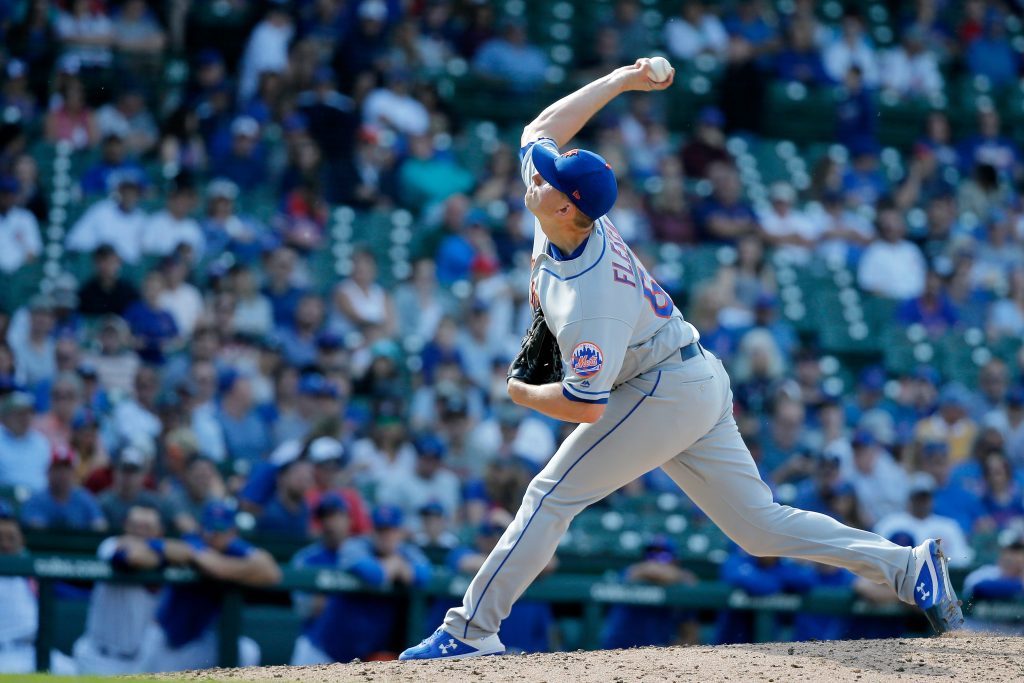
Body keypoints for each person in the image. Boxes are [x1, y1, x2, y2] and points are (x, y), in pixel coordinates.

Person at [401, 59, 962, 661]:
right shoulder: (565, 214)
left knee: (551, 495)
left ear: (569, 208)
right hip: (686, 375)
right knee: (757, 526)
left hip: (659, 384)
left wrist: (523, 395)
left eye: (547, 181)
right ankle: (906, 567)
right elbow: (539, 129)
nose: (532, 180)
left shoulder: (596, 297)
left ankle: (470, 630)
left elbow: (585, 406)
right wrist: (619, 81)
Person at [138, 501, 280, 672]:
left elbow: (272, 573)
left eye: (219, 529)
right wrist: (245, 570)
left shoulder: (233, 548)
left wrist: (229, 568)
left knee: (246, 651)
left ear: (232, 532)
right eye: (208, 528)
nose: (212, 534)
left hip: (198, 641)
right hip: (166, 640)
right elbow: (218, 568)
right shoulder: (191, 541)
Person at [72, 505, 193, 674]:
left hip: (140, 661)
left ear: (160, 531)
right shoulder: (109, 545)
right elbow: (131, 557)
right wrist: (164, 556)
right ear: (125, 526)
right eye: (134, 526)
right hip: (97, 657)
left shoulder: (166, 552)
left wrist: (162, 553)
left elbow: (190, 552)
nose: (139, 532)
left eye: (147, 527)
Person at [304, 505, 432, 663]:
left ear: (400, 532)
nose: (386, 536)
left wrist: (398, 565)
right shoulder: (355, 545)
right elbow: (374, 575)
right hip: (323, 650)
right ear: (372, 531)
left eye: (391, 530)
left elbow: (425, 575)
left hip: (362, 655)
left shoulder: (407, 551)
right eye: (380, 530)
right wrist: (395, 564)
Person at [0, 501, 76, 674]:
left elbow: (63, 590)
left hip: (34, 650)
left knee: (71, 672)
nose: (5, 544)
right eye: (0, 538)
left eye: (11, 538)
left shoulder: (30, 569)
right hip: (4, 653)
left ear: (21, 540)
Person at [601, 536, 699, 649]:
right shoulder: (631, 572)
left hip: (655, 656)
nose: (655, 560)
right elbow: (649, 570)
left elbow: (691, 636)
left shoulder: (681, 589)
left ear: (675, 560)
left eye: (664, 556)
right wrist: (680, 575)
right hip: (618, 651)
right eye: (651, 555)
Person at [289, 493, 351, 666]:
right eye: (325, 517)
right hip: (316, 642)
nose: (329, 523)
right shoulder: (306, 558)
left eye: (335, 516)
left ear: (348, 519)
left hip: (356, 643)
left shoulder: (361, 554)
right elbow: (304, 607)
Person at [20, 445, 107, 531]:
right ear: (48, 471)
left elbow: (100, 525)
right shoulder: (36, 500)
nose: (62, 474)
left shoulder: (84, 498)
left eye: (66, 469)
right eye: (58, 468)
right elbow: (34, 527)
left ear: (73, 473)